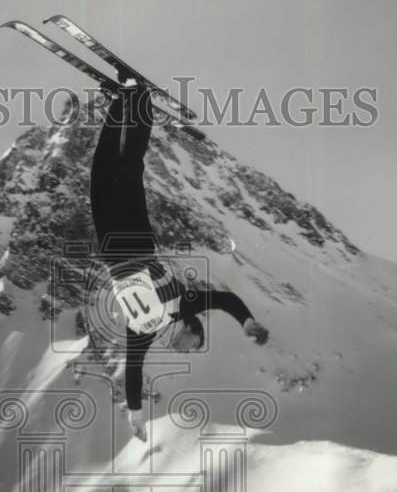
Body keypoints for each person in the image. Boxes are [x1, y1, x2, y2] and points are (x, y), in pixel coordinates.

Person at [89, 77, 269, 441]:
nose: (185, 351)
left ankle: (119, 103)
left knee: (100, 173)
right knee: (127, 171)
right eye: (192, 345)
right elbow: (224, 300)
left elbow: (133, 370)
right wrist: (247, 323)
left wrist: (136, 415)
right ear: (190, 328)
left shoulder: (145, 331)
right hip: (137, 240)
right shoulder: (182, 305)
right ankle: (139, 101)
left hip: (112, 247)